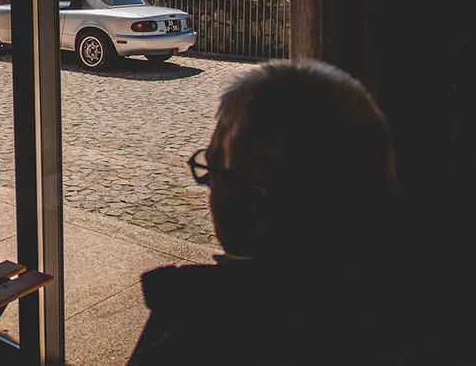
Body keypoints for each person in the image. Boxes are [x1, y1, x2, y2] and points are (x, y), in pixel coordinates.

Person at [129, 60, 408, 365]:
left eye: (214, 172)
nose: (208, 184)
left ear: (256, 210)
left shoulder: (202, 338)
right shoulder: (409, 308)